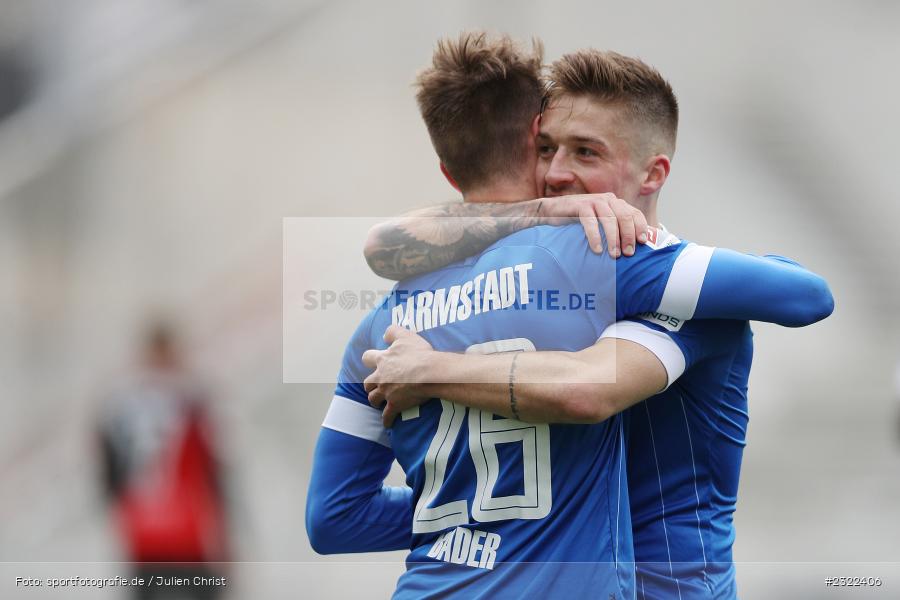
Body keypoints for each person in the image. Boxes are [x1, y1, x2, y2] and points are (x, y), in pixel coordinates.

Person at [306, 33, 832, 598]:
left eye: (585, 152)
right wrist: (488, 524)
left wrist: (465, 519)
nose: (557, 173)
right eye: (547, 149)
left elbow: (335, 516)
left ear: (652, 174)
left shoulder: (390, 316)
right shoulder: (588, 268)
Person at [98, 322, 229, 600]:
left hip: (145, 532)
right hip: (186, 533)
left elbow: (108, 468)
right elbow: (214, 469)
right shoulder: (194, 399)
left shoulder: (119, 402)